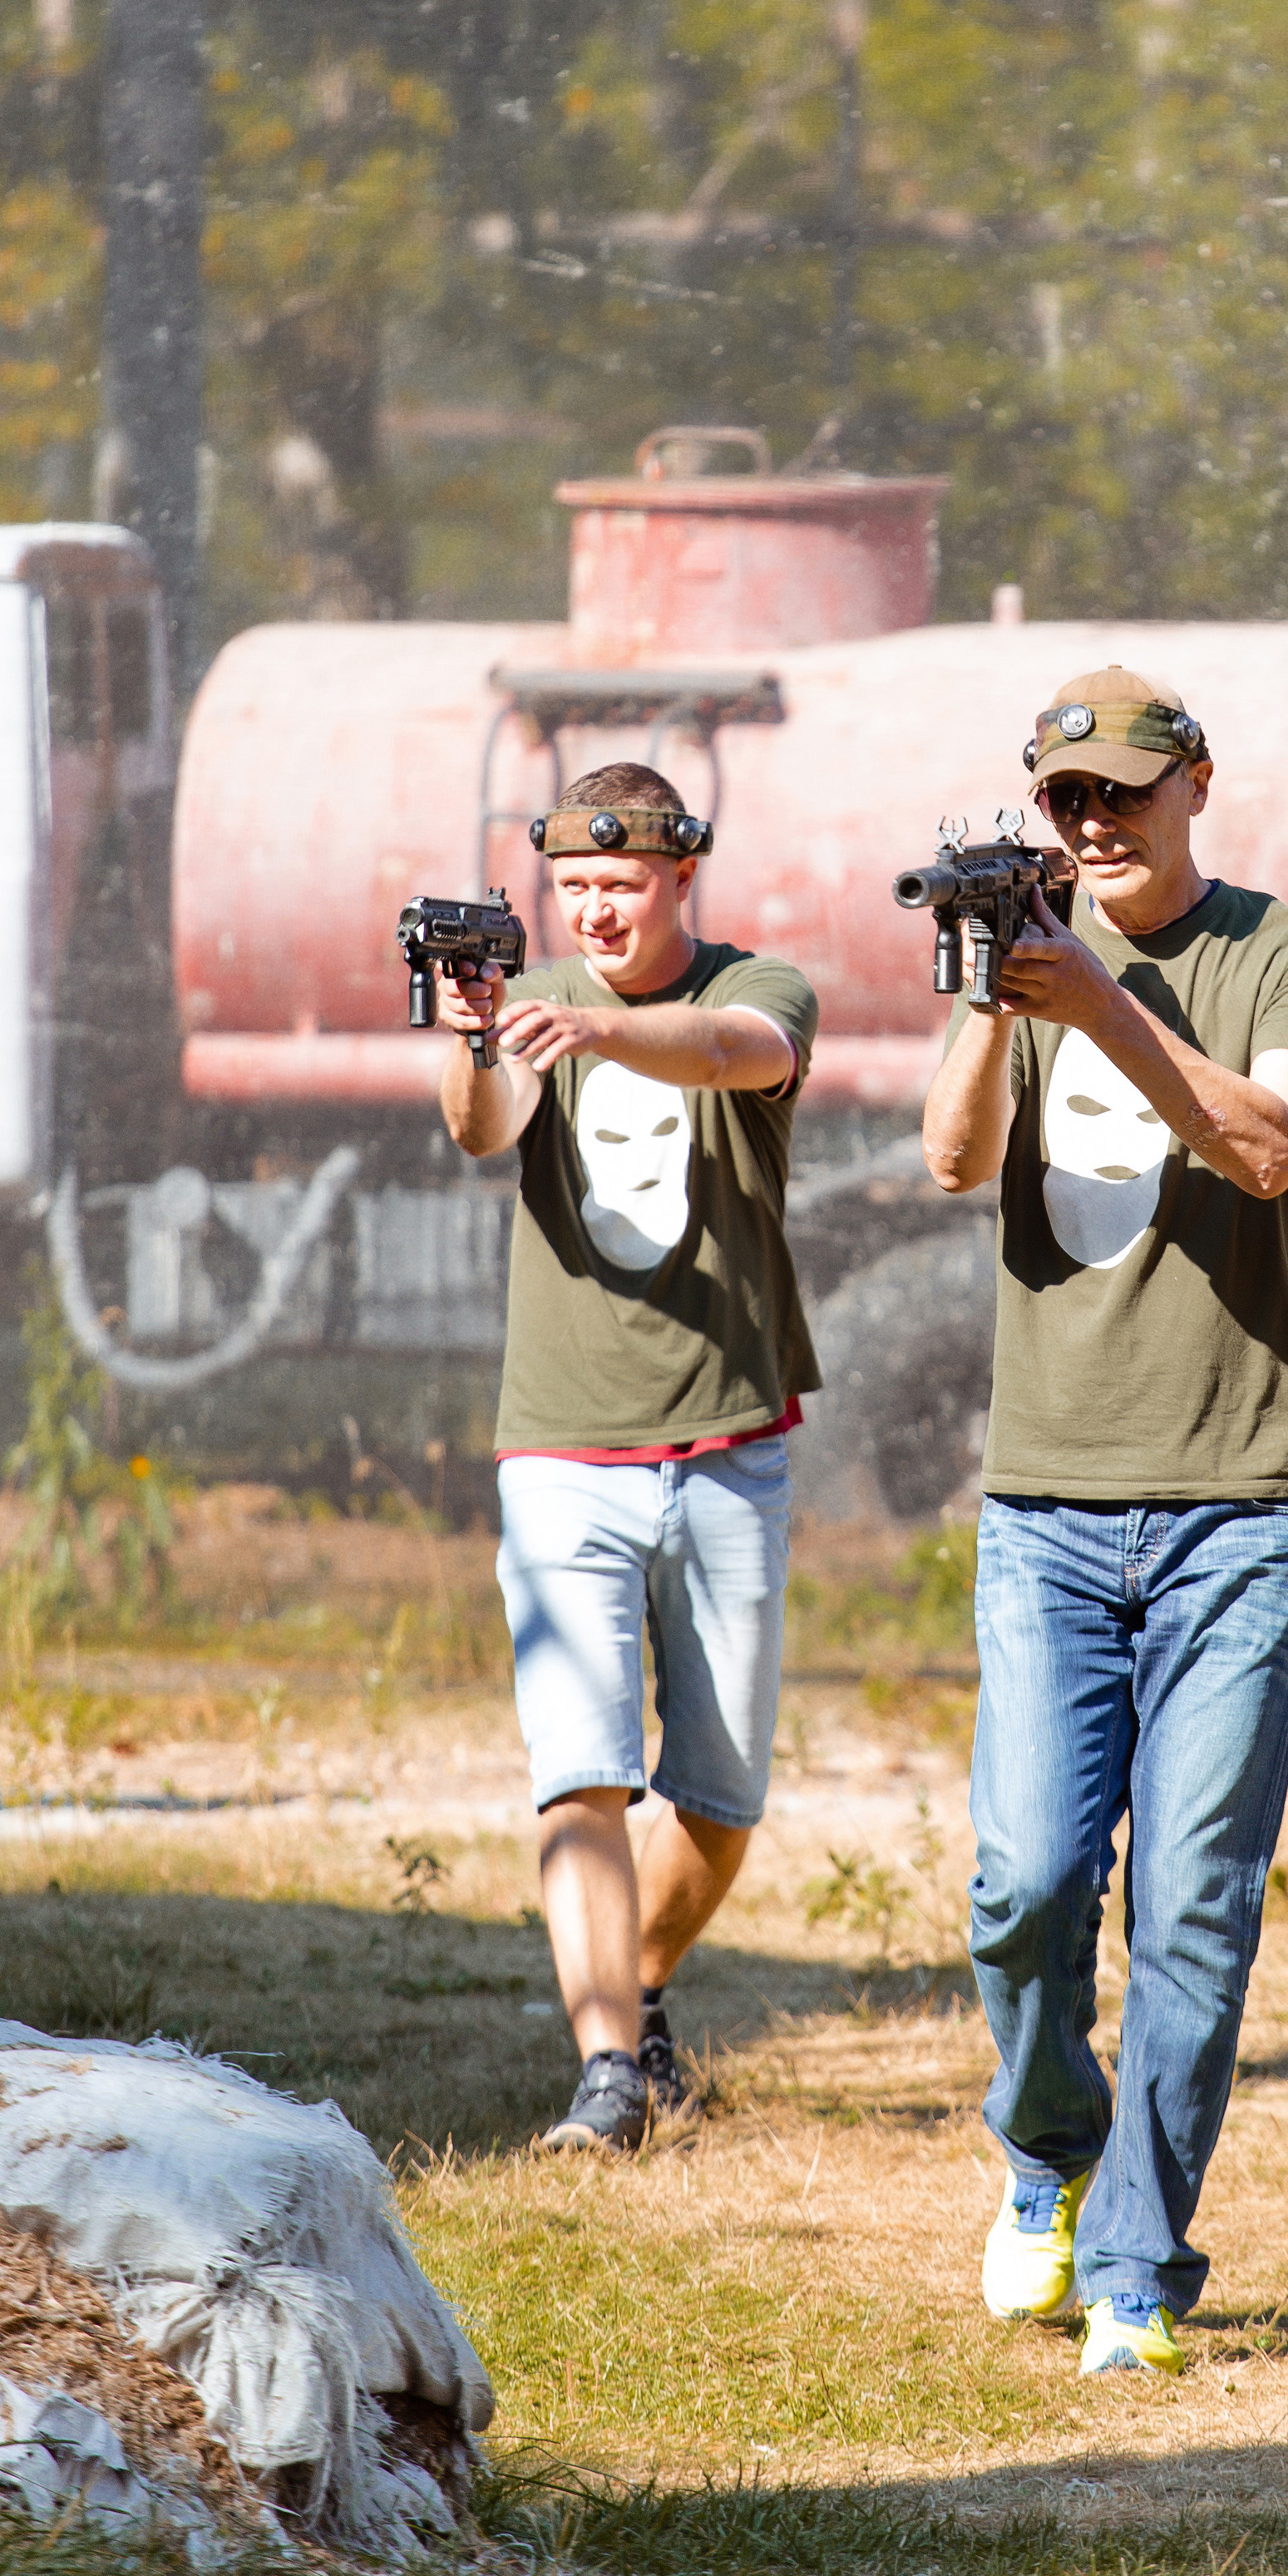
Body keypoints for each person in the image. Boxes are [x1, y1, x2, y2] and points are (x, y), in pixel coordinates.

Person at [922, 664, 1288, 2374]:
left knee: (1191, 1903)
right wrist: (989, 990)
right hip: (1048, 1499)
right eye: (1066, 804)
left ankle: (1134, 2268)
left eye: (1122, 793)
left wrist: (1095, 999)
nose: (1094, 826)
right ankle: (1046, 2153)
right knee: (1022, 1888)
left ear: (1196, 786)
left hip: (1243, 1500)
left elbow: (1266, 1144)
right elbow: (957, 1160)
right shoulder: (1024, 960)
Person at [440, 761, 820, 2152]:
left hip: (729, 1442)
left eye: (622, 886)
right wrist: (485, 1037)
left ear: (680, 881)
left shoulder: (760, 985)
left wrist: (590, 1031)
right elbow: (482, 1130)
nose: (594, 914)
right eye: (575, 889)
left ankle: (638, 1991)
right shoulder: (528, 1003)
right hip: (560, 1447)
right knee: (580, 1769)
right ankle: (606, 2073)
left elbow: (734, 1055)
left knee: (716, 1797)